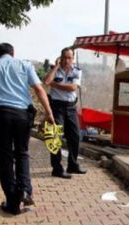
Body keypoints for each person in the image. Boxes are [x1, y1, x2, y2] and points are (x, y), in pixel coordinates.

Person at [0, 43, 55, 214]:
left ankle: (12, 201)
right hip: (22, 115)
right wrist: (49, 113)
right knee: (22, 153)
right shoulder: (24, 64)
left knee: (5, 157)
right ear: (13, 53)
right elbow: (39, 88)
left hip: (1, 115)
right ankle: (24, 190)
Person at [44, 47, 87, 179]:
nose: (67, 60)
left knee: (75, 136)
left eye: (70, 58)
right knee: (55, 137)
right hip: (56, 107)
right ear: (61, 58)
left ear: (73, 58)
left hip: (70, 107)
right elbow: (46, 81)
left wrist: (55, 85)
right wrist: (56, 67)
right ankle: (57, 169)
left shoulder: (77, 71)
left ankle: (72, 165)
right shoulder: (54, 69)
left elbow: (72, 88)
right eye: (65, 58)